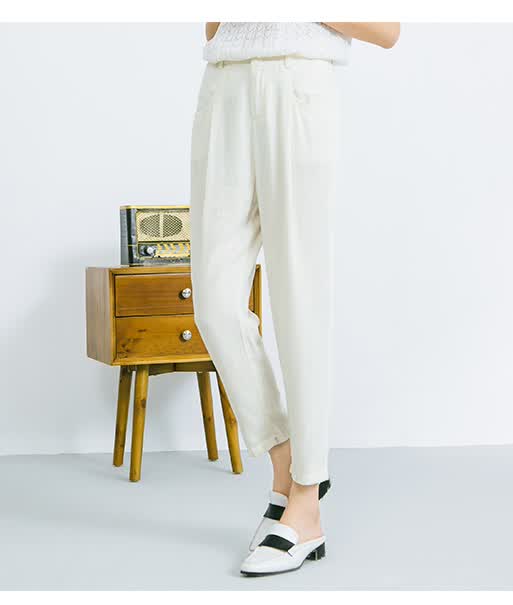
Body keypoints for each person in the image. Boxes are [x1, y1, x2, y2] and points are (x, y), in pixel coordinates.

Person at [189, 21, 400, 577]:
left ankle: (306, 502)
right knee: (213, 303)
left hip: (296, 84)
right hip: (224, 83)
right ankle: (285, 463)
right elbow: (214, 24)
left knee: (299, 299)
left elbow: (387, 29)